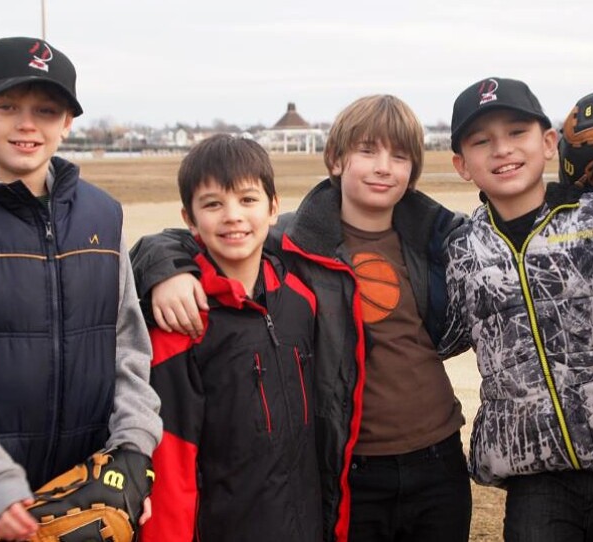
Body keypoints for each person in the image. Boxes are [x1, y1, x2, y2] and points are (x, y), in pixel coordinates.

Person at [129, 95, 471, 541]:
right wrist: (166, 271)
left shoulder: (437, 240)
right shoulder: (294, 240)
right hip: (353, 467)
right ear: (336, 159)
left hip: (438, 456)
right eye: (367, 151)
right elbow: (196, 235)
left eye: (399, 156)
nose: (383, 167)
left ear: (414, 171)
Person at [0, 37, 161, 541]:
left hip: (82, 509)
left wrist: (131, 455)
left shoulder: (101, 215)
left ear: (67, 123)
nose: (27, 124)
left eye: (46, 110)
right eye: (6, 106)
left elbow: (127, 348)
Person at [439, 76, 593, 541]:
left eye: (517, 132)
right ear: (462, 165)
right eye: (482, 141)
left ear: (548, 143)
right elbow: (436, 336)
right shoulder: (461, 251)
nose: (502, 149)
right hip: (537, 472)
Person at [139, 135, 321, 541]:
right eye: (213, 204)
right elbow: (170, 464)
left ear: (273, 208)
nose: (233, 216)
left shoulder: (301, 301)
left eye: (247, 199)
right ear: (189, 219)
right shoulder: (181, 322)